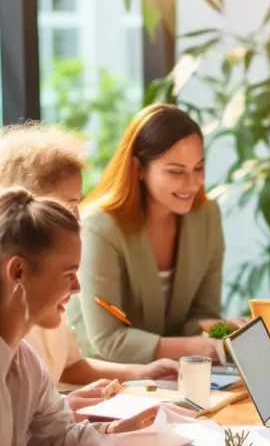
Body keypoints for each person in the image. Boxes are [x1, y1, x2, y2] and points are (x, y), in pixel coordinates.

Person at [0, 188, 189, 446]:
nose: (77, 288)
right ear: (18, 272)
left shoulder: (24, 359)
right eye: (69, 274)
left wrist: (116, 431)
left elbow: (58, 437)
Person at [0, 122, 179, 414]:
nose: (77, 215)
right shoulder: (15, 309)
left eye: (78, 202)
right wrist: (63, 411)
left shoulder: (48, 295)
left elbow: (72, 366)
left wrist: (142, 373)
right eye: (68, 203)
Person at [68, 103, 234, 365]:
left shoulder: (206, 216)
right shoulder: (100, 228)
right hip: (102, 378)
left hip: (170, 375)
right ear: (138, 169)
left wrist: (221, 329)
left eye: (198, 168)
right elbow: (107, 340)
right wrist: (193, 346)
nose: (192, 184)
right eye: (176, 172)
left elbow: (199, 314)